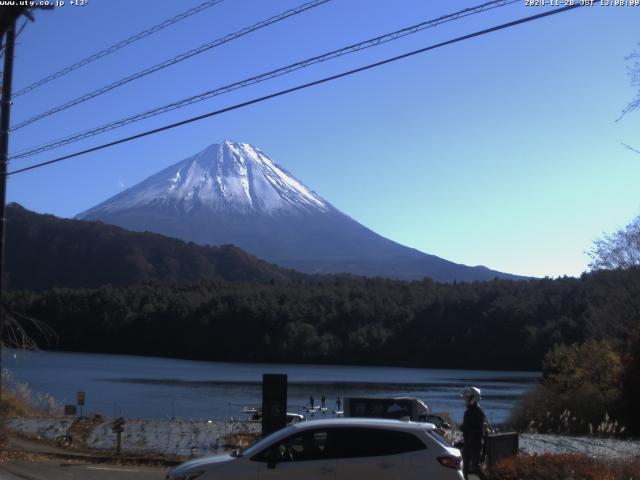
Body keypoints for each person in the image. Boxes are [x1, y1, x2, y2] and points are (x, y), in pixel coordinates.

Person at [460, 386, 488, 480]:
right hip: (468, 443)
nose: (466, 399)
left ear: (473, 398)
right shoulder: (468, 411)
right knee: (465, 468)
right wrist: (464, 428)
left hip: (476, 444)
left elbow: (479, 430)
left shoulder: (479, 412)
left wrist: (464, 428)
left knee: (476, 467)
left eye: (467, 397)